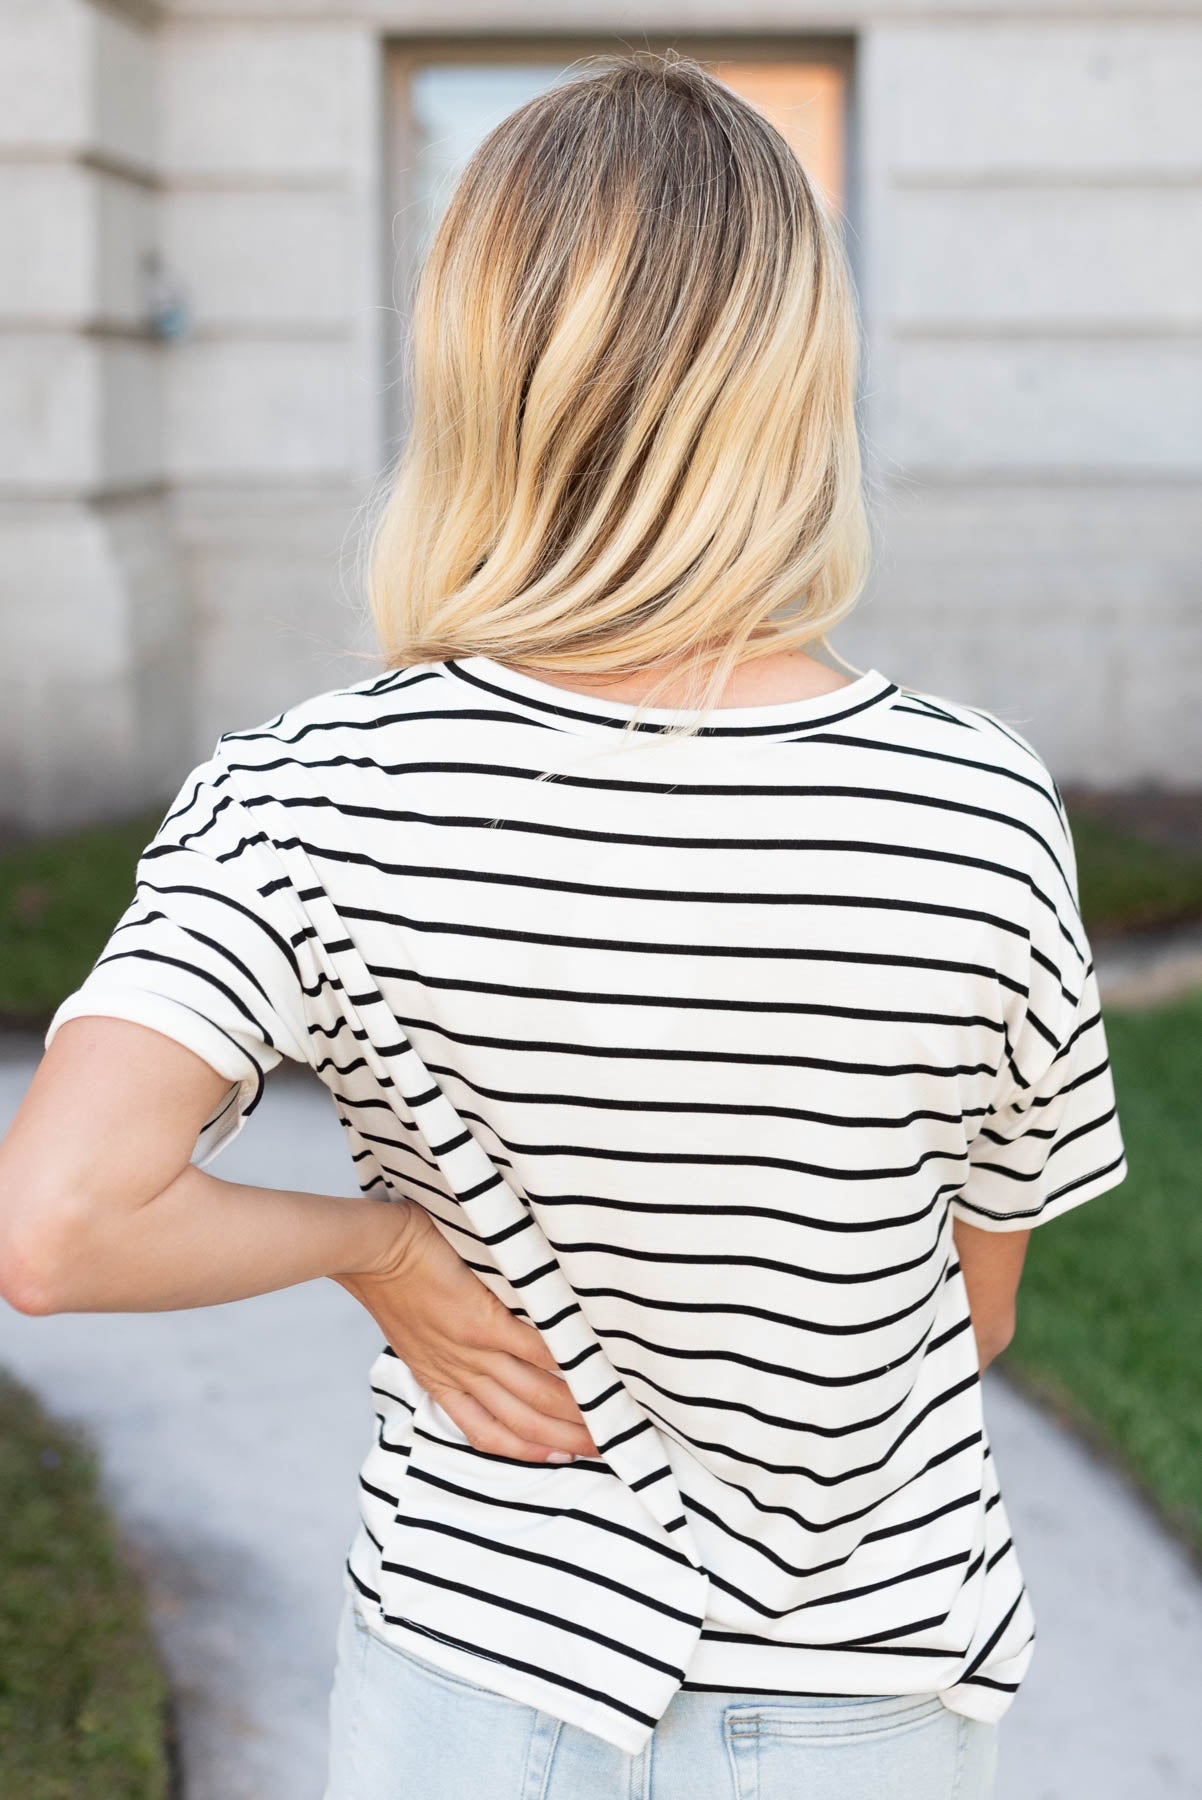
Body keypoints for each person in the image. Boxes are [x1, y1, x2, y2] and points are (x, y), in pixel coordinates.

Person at [0, 50, 1127, 1800]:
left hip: (474, 1685)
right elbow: (974, 1310)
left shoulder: (313, 790)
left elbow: (58, 1225)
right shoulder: (975, 803)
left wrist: (376, 1250)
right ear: (794, 374)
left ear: (476, 369)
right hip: (860, 1700)